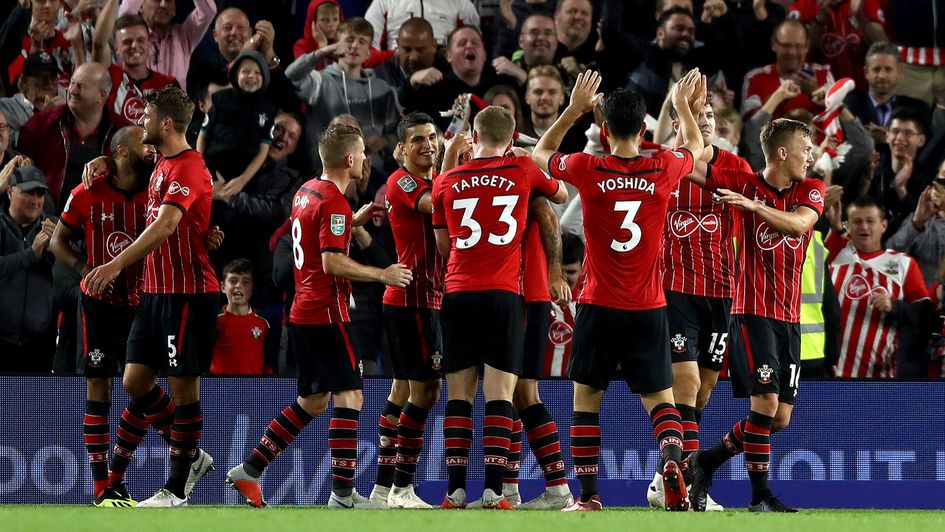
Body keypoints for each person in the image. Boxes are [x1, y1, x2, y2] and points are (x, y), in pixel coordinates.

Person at [532, 70, 704, 512]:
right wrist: (682, 106)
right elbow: (696, 146)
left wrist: (574, 109)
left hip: (597, 304)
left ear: (604, 129)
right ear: (644, 129)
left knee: (587, 401)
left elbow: (541, 153)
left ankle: (589, 497)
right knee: (661, 401)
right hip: (648, 307)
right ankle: (671, 459)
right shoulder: (663, 167)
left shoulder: (587, 167)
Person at [225, 124, 412, 509]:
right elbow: (331, 262)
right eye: (362, 154)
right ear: (349, 158)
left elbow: (314, 237)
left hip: (302, 313)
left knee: (312, 401)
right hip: (327, 313)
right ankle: (342, 495)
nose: (366, 159)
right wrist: (383, 274)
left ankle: (250, 470)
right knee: (351, 395)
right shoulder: (334, 202)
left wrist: (352, 223)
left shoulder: (306, 191)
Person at [84, 86, 218, 507]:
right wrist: (106, 159)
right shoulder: (160, 161)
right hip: (155, 292)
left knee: (183, 388)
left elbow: (165, 225)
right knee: (135, 381)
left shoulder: (190, 167)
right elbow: (129, 158)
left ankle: (175, 488)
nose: (141, 122)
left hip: (188, 293)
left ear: (166, 123)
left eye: (147, 116)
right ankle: (191, 455)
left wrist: (114, 264)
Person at [687, 118, 825, 513]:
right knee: (765, 403)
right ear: (782, 153)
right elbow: (689, 165)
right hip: (751, 313)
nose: (810, 157)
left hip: (790, 320)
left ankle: (706, 460)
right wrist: (684, 112)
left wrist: (754, 207)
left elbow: (800, 224)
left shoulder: (809, 189)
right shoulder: (742, 182)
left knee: (779, 418)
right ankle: (760, 497)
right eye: (805, 149)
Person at [432, 105, 568, 509]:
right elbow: (560, 195)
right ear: (510, 140)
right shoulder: (522, 169)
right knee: (501, 395)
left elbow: (444, 246)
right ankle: (495, 492)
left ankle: (455, 492)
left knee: (458, 397)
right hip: (504, 294)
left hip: (458, 292)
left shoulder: (446, 180)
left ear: (474, 137)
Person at [647, 90, 753, 512]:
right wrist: (674, 102)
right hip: (673, 291)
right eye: (695, 114)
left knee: (703, 391)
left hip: (722, 294)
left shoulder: (735, 167)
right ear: (677, 123)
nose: (706, 120)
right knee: (686, 385)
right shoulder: (663, 164)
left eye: (708, 113)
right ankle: (691, 489)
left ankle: (665, 475)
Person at [48, 125, 151, 506]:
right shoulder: (86, 192)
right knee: (99, 388)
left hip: (143, 303)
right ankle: (100, 488)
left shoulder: (156, 190)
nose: (150, 146)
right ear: (122, 152)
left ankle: (117, 479)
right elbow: (57, 241)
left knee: (144, 388)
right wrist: (85, 269)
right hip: (98, 306)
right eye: (142, 142)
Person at [366, 113, 444, 509]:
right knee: (426, 392)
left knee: (401, 390)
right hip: (413, 302)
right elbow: (436, 205)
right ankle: (402, 487)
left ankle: (382, 489)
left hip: (422, 301)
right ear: (401, 148)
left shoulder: (433, 179)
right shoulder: (402, 182)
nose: (427, 145)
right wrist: (460, 167)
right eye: (417, 140)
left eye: (432, 137)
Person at [825, 197, 931, 378]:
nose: (864, 227)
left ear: (883, 226)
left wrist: (894, 306)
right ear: (847, 226)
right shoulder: (835, 253)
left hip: (877, 375)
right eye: (857, 222)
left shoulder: (903, 263)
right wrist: (834, 225)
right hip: (829, 374)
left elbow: (926, 313)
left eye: (870, 221)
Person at [286, 17, 400, 173]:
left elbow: (397, 134)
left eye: (362, 41)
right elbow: (291, 76)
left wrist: (385, 140)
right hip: (327, 173)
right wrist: (322, 52)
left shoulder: (382, 88)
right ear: (337, 45)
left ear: (368, 52)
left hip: (371, 175)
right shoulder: (320, 81)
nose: (354, 45)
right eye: (349, 40)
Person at [17, 62, 119, 212]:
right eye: (72, 83)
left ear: (101, 96)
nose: (72, 91)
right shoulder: (39, 125)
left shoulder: (121, 131)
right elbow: (22, 179)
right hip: (49, 219)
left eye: (81, 86)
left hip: (102, 219)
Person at [0, 164, 56, 372]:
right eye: (28, 192)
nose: (35, 200)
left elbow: (69, 276)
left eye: (40, 194)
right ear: (10, 192)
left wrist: (55, 251)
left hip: (40, 344)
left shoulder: (54, 229)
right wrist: (31, 254)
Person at [198, 50, 275, 192]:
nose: (251, 76)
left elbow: (263, 151)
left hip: (244, 181)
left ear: (265, 77)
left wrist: (243, 180)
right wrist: (203, 171)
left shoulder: (268, 109)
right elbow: (202, 137)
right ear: (235, 75)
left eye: (258, 72)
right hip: (211, 174)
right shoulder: (220, 99)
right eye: (245, 71)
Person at [92, 2, 179, 126]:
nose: (134, 46)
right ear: (116, 47)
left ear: (148, 43)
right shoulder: (110, 77)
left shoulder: (168, 85)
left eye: (140, 40)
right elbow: (99, 43)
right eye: (127, 42)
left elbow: (176, 130)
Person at [845, 42, 931, 151]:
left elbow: (925, 151)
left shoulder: (919, 110)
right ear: (866, 72)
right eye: (876, 69)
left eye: (888, 69)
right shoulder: (848, 107)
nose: (882, 76)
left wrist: (889, 139)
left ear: (899, 72)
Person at [741, 19, 834, 119]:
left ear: (807, 46)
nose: (792, 52)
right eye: (786, 45)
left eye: (798, 46)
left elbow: (838, 120)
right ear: (774, 44)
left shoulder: (823, 75)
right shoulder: (755, 79)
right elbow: (750, 126)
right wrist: (778, 99)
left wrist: (816, 92)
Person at [117, 0, 217, 90]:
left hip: (177, 104)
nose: (163, 4)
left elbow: (208, 11)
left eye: (169, 0)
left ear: (174, 9)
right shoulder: (127, 36)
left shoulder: (184, 36)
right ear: (140, 6)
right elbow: (126, 14)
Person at [787, 0, 887, 83]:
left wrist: (860, 17)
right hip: (821, 89)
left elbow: (884, 49)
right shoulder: (805, 5)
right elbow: (798, 54)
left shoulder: (863, 2)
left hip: (862, 88)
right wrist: (820, 18)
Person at [210, 258, 271, 375]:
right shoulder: (213, 321)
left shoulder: (265, 322)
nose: (238, 286)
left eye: (246, 282)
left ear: (253, 288)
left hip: (254, 386)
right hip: (220, 386)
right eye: (233, 281)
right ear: (222, 287)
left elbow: (269, 364)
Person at [0, 52, 63, 146]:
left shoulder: (64, 108)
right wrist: (45, 117)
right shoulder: (5, 107)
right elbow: (12, 144)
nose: (49, 82)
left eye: (53, 76)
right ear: (24, 80)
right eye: (41, 76)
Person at [364, 0, 480, 50]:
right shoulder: (382, 2)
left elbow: (476, 49)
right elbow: (367, 52)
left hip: (446, 72)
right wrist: (396, 56)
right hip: (397, 73)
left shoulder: (461, 3)